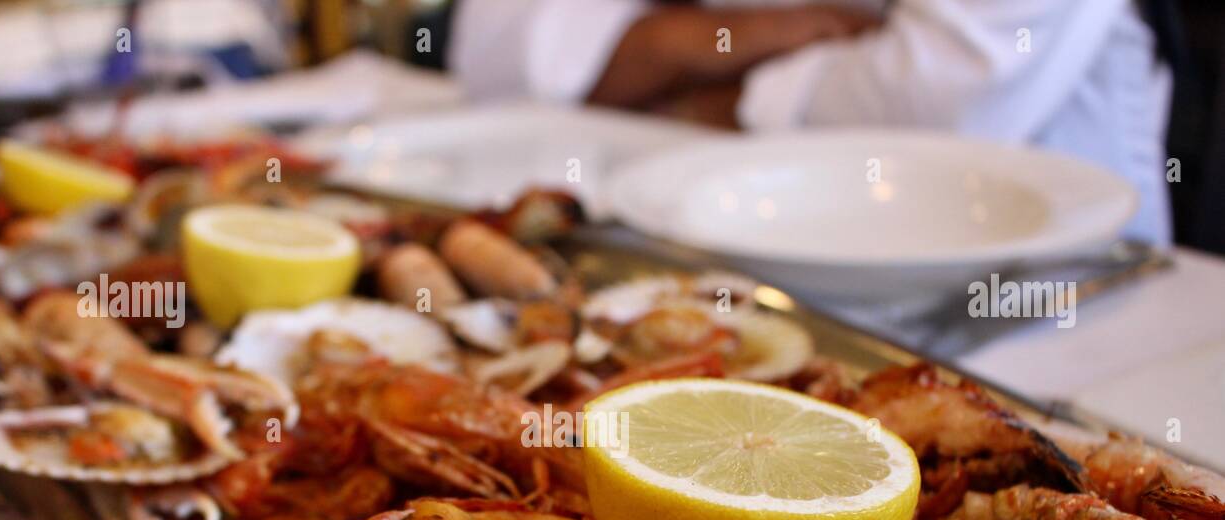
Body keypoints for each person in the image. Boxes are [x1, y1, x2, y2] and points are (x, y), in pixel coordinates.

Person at [449, 0, 1172, 244]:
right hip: (708, 238)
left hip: (1040, 287)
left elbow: (940, 100)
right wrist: (693, 41)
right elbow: (498, 51)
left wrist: (691, 86)